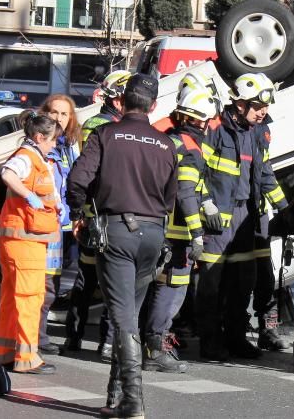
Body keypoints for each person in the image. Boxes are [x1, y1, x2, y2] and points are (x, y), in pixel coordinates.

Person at [66, 74, 177, 419]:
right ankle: (115, 399)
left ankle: (132, 401)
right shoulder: (166, 145)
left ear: (121, 101)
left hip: (117, 232)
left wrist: (79, 213)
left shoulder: (106, 134)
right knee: (129, 311)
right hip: (153, 235)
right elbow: (170, 199)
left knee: (123, 316)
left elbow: (77, 181)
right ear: (154, 106)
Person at [197, 72, 287, 361]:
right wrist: (205, 204)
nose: (264, 112)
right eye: (258, 106)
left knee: (242, 282)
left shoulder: (257, 133)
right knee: (211, 282)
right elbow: (195, 171)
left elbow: (266, 174)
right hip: (218, 217)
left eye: (265, 107)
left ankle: (236, 338)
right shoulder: (215, 129)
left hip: (247, 216)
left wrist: (286, 210)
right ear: (239, 104)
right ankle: (209, 341)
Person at [142, 72, 220, 373]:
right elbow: (185, 191)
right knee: (172, 289)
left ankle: (155, 342)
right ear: (199, 120)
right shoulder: (188, 148)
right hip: (177, 234)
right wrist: (198, 234)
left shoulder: (169, 140)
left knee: (164, 288)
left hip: (161, 229)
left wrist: (206, 200)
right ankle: (156, 347)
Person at [64, 70, 131, 358]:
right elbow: (96, 172)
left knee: (97, 279)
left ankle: (86, 339)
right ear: (117, 101)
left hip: (101, 211)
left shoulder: (109, 124)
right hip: (99, 213)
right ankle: (87, 339)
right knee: (96, 279)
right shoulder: (101, 126)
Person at [0, 113, 61, 375]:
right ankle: (27, 357)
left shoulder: (37, 158)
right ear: (39, 137)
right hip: (24, 239)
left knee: (12, 297)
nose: (54, 145)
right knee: (30, 297)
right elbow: (8, 174)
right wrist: (29, 196)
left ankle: (5, 353)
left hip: (21, 238)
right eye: (52, 140)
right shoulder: (26, 157)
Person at [37, 94, 81, 355]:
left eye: (64, 114)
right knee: (45, 285)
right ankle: (38, 337)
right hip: (47, 225)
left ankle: (39, 335)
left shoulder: (68, 145)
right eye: (54, 112)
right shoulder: (40, 145)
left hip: (64, 226)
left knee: (54, 282)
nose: (58, 118)